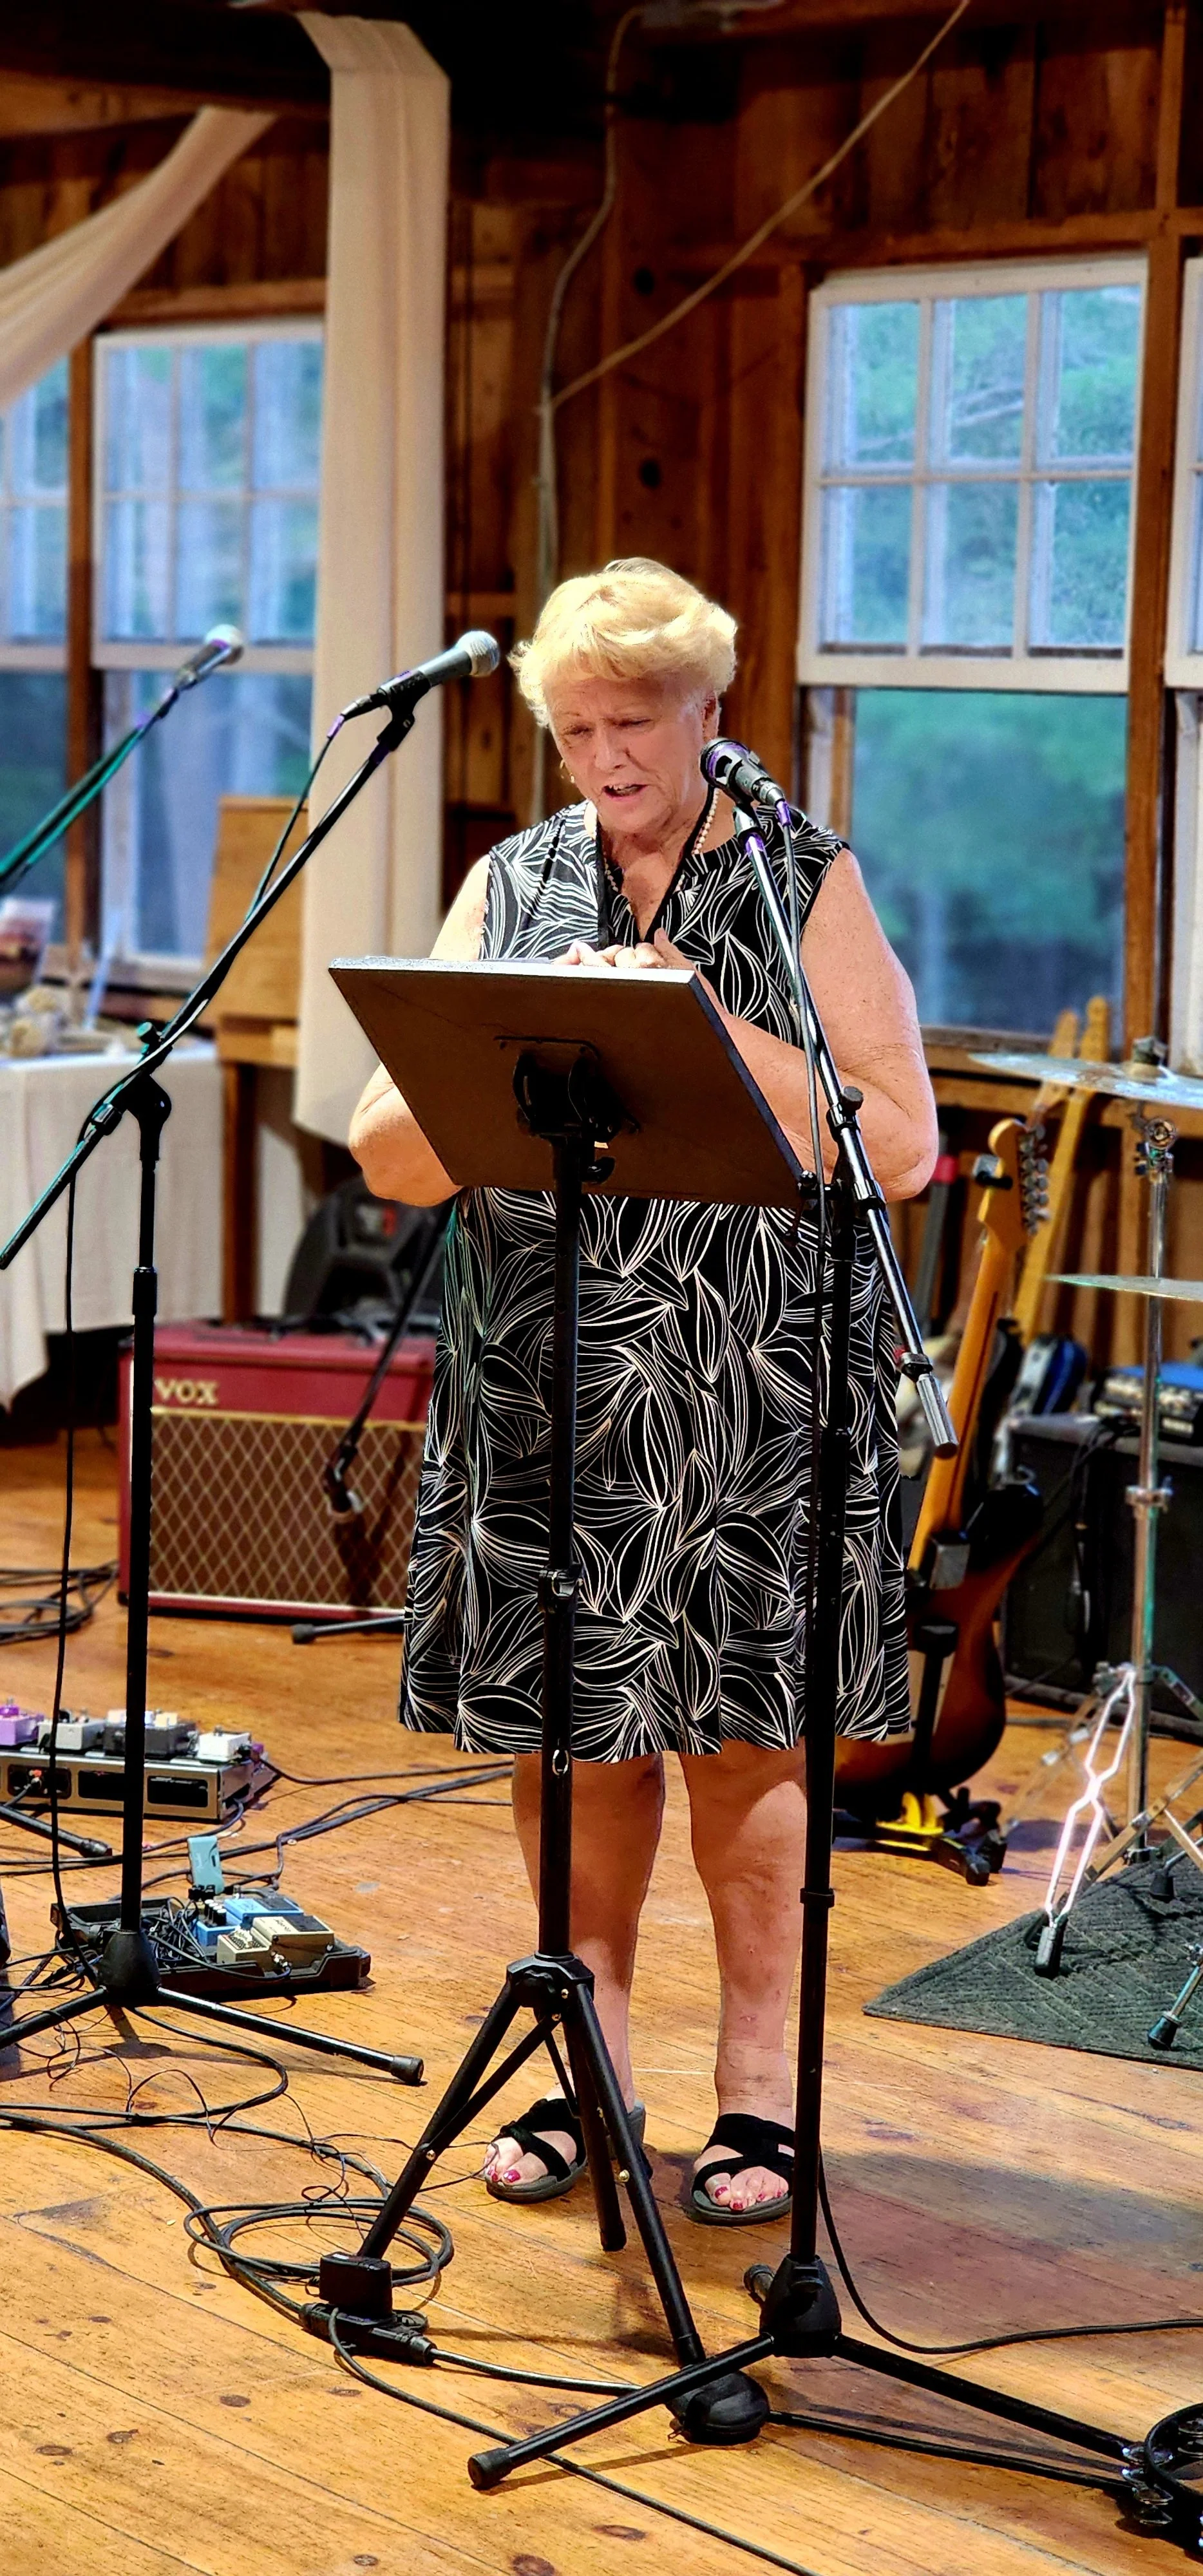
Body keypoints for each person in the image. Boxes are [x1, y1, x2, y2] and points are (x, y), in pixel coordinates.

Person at [350, 558, 936, 2221]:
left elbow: (899, 1145)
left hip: (746, 1395)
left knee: (743, 1752)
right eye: (574, 729)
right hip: (545, 1391)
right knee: (570, 1745)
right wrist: (486, 1061)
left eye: (633, 722)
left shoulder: (801, 878)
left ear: (708, 712)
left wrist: (693, 1020)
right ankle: (581, 2069)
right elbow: (389, 1150)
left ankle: (757, 2095)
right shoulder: (512, 882)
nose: (604, 757)